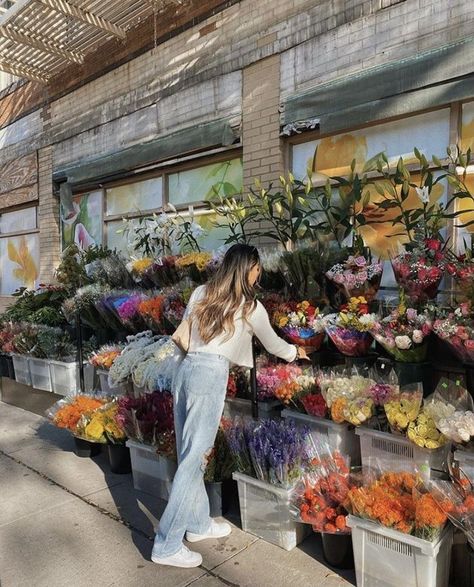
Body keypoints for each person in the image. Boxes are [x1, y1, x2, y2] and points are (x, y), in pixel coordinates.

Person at [151, 244, 309, 568]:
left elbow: (184, 334)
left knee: (188, 453)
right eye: (256, 269)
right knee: (195, 460)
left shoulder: (200, 293)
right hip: (208, 376)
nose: (258, 274)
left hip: (185, 369)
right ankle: (166, 544)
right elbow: (273, 343)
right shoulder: (250, 306)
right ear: (247, 269)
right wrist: (296, 353)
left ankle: (197, 524)